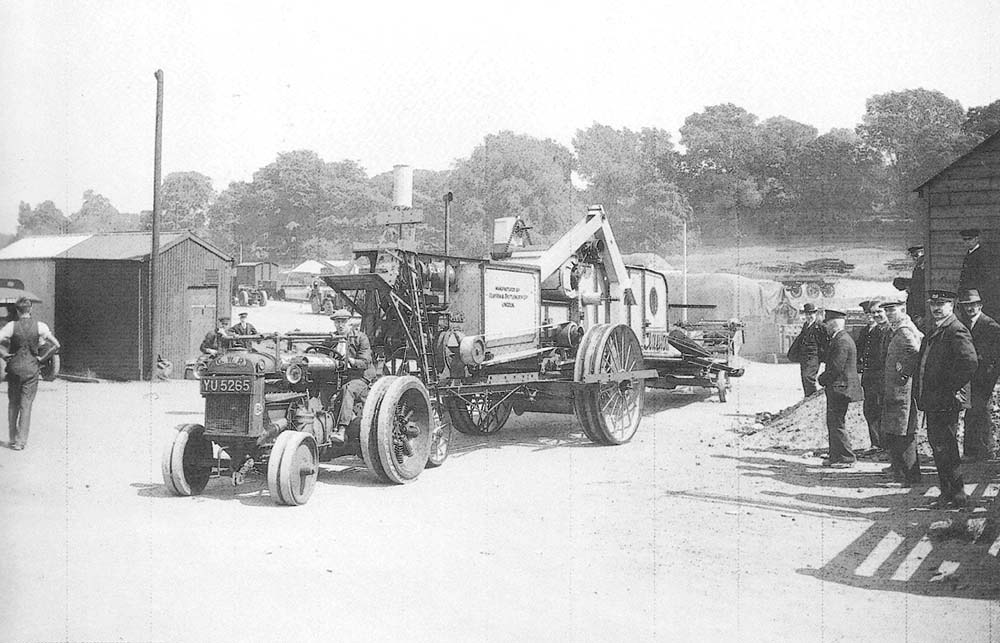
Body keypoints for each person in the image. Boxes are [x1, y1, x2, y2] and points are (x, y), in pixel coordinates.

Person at [913, 289, 978, 507]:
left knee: (946, 447)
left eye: (942, 304)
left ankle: (957, 495)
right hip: (935, 400)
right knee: (939, 446)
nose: (937, 308)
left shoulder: (956, 330)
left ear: (952, 306)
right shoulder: (938, 329)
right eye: (934, 305)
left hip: (946, 400)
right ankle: (947, 493)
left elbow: (969, 363)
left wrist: (947, 387)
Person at [0, 296, 60, 451]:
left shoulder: (11, 326)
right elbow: (56, 344)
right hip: (32, 369)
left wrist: (4, 355)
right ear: (30, 309)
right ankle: (21, 442)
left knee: (13, 403)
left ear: (17, 311)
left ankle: (12, 438)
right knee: (26, 405)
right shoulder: (40, 326)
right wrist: (42, 358)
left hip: (14, 369)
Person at [880, 300, 924, 484]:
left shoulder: (905, 330)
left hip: (902, 389)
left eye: (893, 311)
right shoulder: (898, 328)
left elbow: (916, 352)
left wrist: (904, 370)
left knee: (904, 431)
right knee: (898, 430)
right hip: (896, 388)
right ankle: (899, 471)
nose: (889, 314)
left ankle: (910, 476)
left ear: (903, 310)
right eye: (887, 311)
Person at [958, 289, 1000, 462]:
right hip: (970, 376)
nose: (970, 309)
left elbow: (994, 356)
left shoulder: (991, 326)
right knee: (973, 411)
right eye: (967, 306)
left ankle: (984, 450)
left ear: (980, 306)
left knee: (980, 411)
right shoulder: (964, 324)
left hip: (985, 377)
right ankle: (976, 451)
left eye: (973, 305)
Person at [817, 309, 862, 468]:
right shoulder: (840, 338)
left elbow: (836, 367)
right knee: (834, 422)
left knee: (837, 423)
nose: (826, 327)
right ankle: (836, 456)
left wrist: (822, 379)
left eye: (828, 324)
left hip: (840, 388)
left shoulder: (842, 341)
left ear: (834, 324)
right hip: (838, 387)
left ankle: (846, 458)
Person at [328, 308, 376, 445]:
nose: (340, 325)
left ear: (349, 322)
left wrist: (351, 361)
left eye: (343, 322)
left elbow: (365, 362)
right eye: (337, 322)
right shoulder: (332, 339)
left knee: (348, 389)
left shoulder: (360, 338)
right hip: (341, 377)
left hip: (360, 378)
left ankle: (341, 430)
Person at [856, 299, 889, 454]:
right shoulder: (867, 331)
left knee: (880, 410)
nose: (873, 316)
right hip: (869, 378)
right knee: (870, 410)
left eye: (877, 312)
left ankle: (883, 444)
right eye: (870, 313)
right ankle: (876, 443)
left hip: (880, 378)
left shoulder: (885, 330)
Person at [787, 302, 828, 397]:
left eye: (811, 314)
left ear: (815, 314)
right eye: (807, 314)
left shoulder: (820, 326)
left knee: (808, 377)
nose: (809, 316)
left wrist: (824, 356)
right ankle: (807, 397)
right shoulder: (806, 325)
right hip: (804, 357)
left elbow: (826, 342)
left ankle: (812, 396)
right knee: (804, 378)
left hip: (814, 357)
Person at [906, 245, 926, 328]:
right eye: (913, 256)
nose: (914, 259)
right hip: (915, 303)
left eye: (916, 256)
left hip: (921, 306)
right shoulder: (917, 268)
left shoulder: (925, 268)